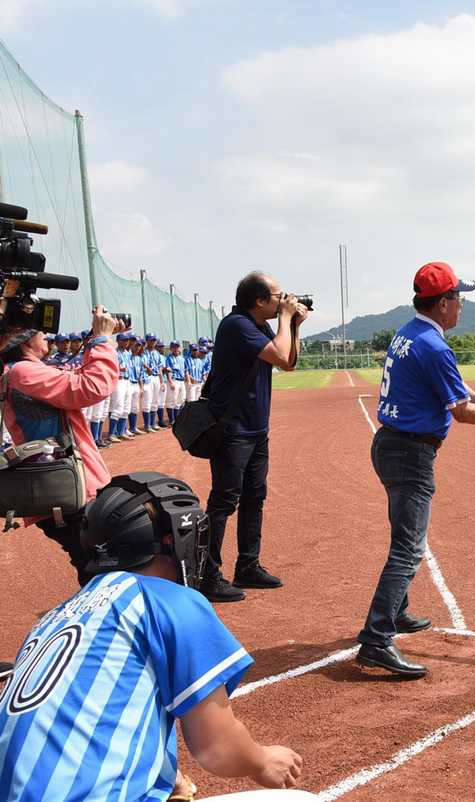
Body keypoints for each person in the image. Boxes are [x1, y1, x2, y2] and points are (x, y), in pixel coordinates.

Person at [0, 472, 312, 802]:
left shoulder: (56, 617)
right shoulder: (167, 599)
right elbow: (217, 749)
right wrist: (262, 760)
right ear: (172, 540)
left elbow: (84, 724)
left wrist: (167, 774)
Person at [358, 261, 475, 678]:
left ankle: (396, 612)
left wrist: (474, 394)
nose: (461, 306)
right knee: (409, 547)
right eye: (458, 298)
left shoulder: (410, 332)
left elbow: (446, 383)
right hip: (410, 452)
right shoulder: (435, 346)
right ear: (441, 304)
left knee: (403, 537)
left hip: (390, 445)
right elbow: (460, 412)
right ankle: (376, 639)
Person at [200, 272, 309, 604]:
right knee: (223, 502)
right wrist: (286, 319)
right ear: (259, 300)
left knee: (253, 498)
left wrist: (294, 326)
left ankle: (247, 565)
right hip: (233, 431)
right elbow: (278, 355)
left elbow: (288, 363)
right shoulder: (237, 325)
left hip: (255, 430)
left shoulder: (259, 326)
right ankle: (208, 574)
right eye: (277, 297)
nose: (282, 301)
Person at [0, 306, 120, 585]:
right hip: (63, 491)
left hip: (59, 486)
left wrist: (98, 340)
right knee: (100, 566)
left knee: (96, 561)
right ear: (25, 340)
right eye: (41, 331)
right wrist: (102, 341)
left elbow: (70, 373)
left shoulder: (22, 371)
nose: (47, 337)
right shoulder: (22, 372)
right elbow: (89, 386)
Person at [165, 339, 187, 424]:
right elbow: (167, 371)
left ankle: (177, 420)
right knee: (171, 401)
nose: (175, 349)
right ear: (171, 348)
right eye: (173, 347)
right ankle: (171, 420)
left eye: (177, 347)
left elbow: (185, 371)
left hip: (181, 381)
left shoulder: (182, 359)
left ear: (179, 348)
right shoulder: (168, 358)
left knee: (181, 400)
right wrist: (170, 382)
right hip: (174, 380)